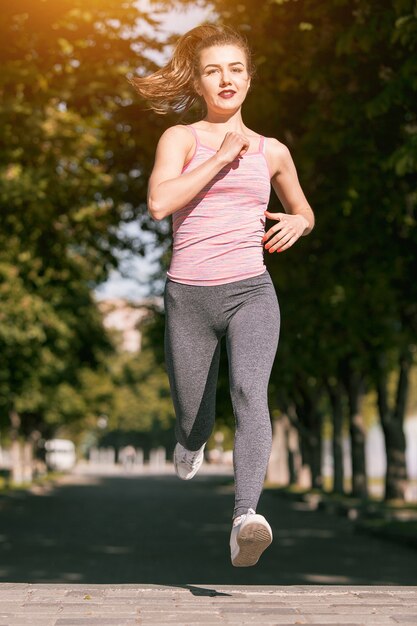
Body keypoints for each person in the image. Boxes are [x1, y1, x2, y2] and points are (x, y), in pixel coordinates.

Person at [130, 23, 315, 567]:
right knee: (194, 414)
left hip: (251, 290)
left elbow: (304, 209)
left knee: (249, 390)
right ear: (200, 81)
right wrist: (219, 158)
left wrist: (298, 224)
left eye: (235, 68)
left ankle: (245, 518)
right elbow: (160, 204)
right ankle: (191, 441)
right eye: (213, 70)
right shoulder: (181, 139)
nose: (225, 78)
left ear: (250, 78)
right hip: (189, 297)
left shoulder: (273, 150)